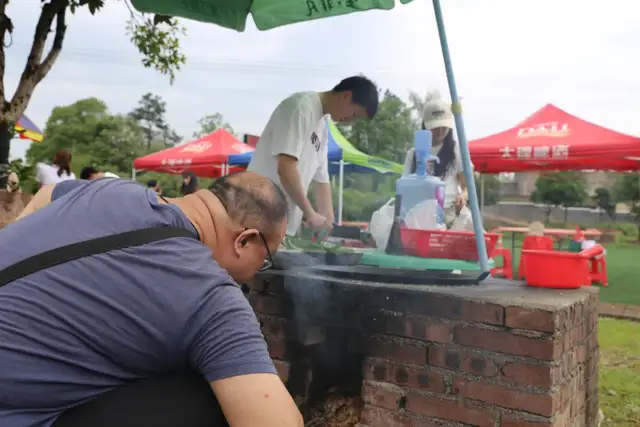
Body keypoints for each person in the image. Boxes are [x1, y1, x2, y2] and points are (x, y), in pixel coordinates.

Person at [1, 171, 302, 427]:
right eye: (264, 260)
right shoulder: (210, 296)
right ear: (244, 240)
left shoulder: (110, 189)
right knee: (210, 397)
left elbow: (46, 193)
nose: (254, 274)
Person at [248, 76, 379, 236]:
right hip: (256, 215)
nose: (350, 122)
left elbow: (322, 181)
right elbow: (286, 167)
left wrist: (327, 220)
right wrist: (310, 213)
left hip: (280, 227)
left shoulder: (322, 128)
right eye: (354, 114)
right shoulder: (301, 107)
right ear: (346, 96)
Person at [403, 96, 468, 227]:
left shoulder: (457, 150)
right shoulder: (413, 154)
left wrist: (463, 196)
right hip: (418, 214)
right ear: (425, 126)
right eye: (435, 127)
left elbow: (467, 186)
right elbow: (405, 186)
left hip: (448, 212)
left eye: (444, 127)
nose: (440, 131)